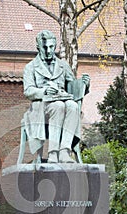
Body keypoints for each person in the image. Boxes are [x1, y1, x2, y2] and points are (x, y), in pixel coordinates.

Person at [23, 29, 90, 163]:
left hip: (62, 102)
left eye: (51, 47)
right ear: (38, 47)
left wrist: (84, 84)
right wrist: (44, 92)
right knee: (58, 106)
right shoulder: (30, 67)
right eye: (45, 47)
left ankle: (65, 151)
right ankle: (53, 153)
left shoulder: (62, 65)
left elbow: (72, 86)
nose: (49, 51)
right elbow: (28, 91)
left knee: (72, 106)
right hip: (41, 107)